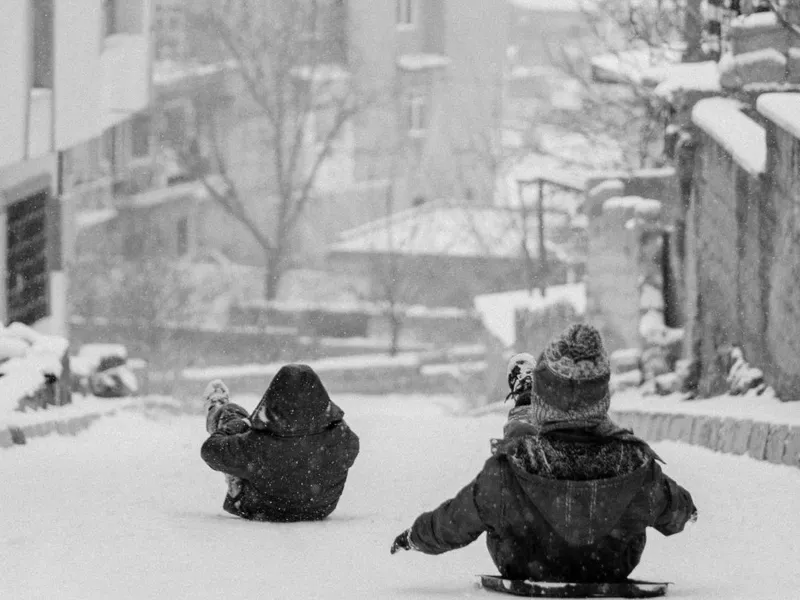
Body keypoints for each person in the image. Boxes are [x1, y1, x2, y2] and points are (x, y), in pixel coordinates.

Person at [390, 323, 697, 583]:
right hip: (608, 569)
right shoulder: (637, 467)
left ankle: (524, 409)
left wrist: (415, 537)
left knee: (514, 455)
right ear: (603, 399)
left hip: (525, 568)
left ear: (543, 401)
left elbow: (455, 521)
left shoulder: (509, 470)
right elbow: (678, 516)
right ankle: (564, 417)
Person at [201, 364, 360, 522]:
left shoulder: (257, 443)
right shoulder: (342, 436)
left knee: (232, 415)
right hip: (320, 508)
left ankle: (218, 409)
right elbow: (348, 451)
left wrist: (239, 426)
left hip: (263, 509)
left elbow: (210, 450)